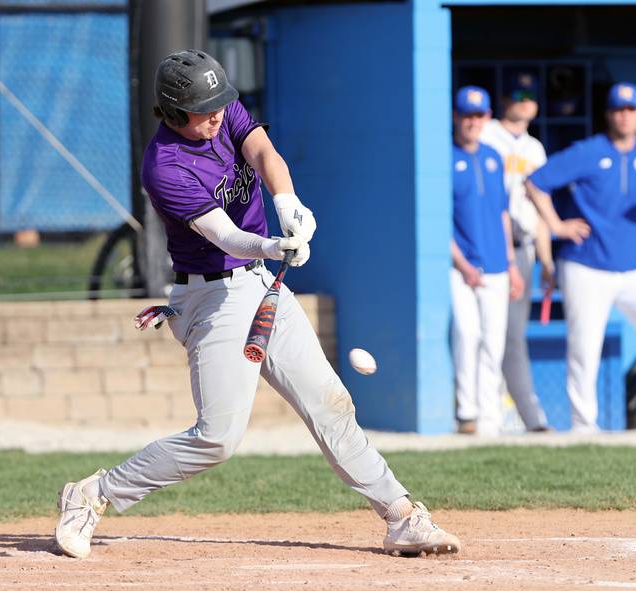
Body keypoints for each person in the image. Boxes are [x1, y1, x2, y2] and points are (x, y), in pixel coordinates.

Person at [54, 50, 460, 559]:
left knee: (330, 403)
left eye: (219, 104)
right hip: (211, 296)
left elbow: (264, 153)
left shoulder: (222, 113)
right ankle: (92, 494)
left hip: (261, 283)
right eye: (203, 110)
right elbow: (223, 235)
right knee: (217, 438)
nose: (217, 115)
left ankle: (401, 517)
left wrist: (287, 203)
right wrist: (271, 245)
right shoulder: (165, 165)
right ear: (174, 112)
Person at [525, 82, 636, 434]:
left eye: (631, 109)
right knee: (585, 344)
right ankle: (584, 425)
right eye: (618, 109)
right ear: (609, 114)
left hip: (629, 268)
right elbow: (535, 182)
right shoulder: (589, 151)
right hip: (585, 264)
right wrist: (557, 225)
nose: (624, 115)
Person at [479, 71, 553, 433]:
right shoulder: (487, 132)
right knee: (483, 335)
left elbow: (539, 211)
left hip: (522, 250)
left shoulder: (535, 148)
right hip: (484, 247)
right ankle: (486, 416)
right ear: (505, 99)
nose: (524, 102)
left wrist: (547, 260)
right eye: (517, 94)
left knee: (512, 337)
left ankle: (529, 418)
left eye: (530, 95)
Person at [451, 86, 524, 436]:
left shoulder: (495, 157)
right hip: (461, 267)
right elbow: (441, 222)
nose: (472, 121)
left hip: (496, 265)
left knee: (494, 342)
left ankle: (490, 419)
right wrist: (463, 264)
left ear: (487, 118)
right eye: (467, 115)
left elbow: (503, 214)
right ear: (456, 117)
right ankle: (468, 412)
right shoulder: (446, 158)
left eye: (478, 115)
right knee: (467, 334)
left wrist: (511, 263)